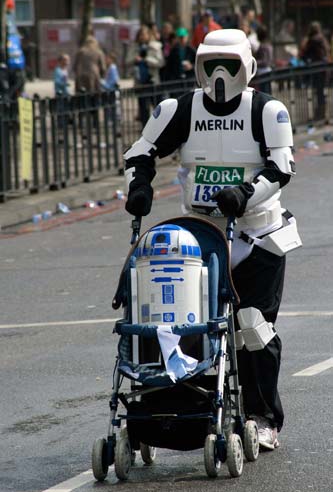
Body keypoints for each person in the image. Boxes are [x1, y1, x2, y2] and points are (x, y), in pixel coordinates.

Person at [123, 29, 301, 450]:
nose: (220, 74)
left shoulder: (267, 110)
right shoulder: (178, 109)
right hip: (199, 237)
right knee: (180, 326)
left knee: (253, 328)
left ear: (248, 66)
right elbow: (140, 153)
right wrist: (140, 187)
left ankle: (262, 417)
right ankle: (186, 411)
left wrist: (245, 193)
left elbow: (281, 167)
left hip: (258, 235)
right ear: (199, 65)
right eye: (211, 64)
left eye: (230, 65)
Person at [130, 24, 164, 127]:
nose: (142, 37)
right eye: (140, 35)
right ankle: (145, 129)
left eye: (144, 34)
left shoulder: (155, 46)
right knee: (143, 108)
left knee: (157, 107)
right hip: (140, 82)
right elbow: (127, 60)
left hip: (152, 80)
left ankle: (160, 127)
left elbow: (160, 62)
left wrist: (146, 60)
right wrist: (134, 59)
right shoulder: (135, 47)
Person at [300, 21, 330, 120]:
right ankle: (322, 114)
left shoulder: (313, 40)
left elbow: (305, 52)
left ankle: (320, 115)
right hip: (324, 67)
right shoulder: (322, 38)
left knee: (318, 92)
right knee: (321, 91)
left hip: (317, 68)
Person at [255, 25, 273, 94]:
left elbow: (265, 61)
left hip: (263, 72)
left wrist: (255, 62)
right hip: (265, 71)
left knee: (264, 92)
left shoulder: (264, 46)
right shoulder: (268, 44)